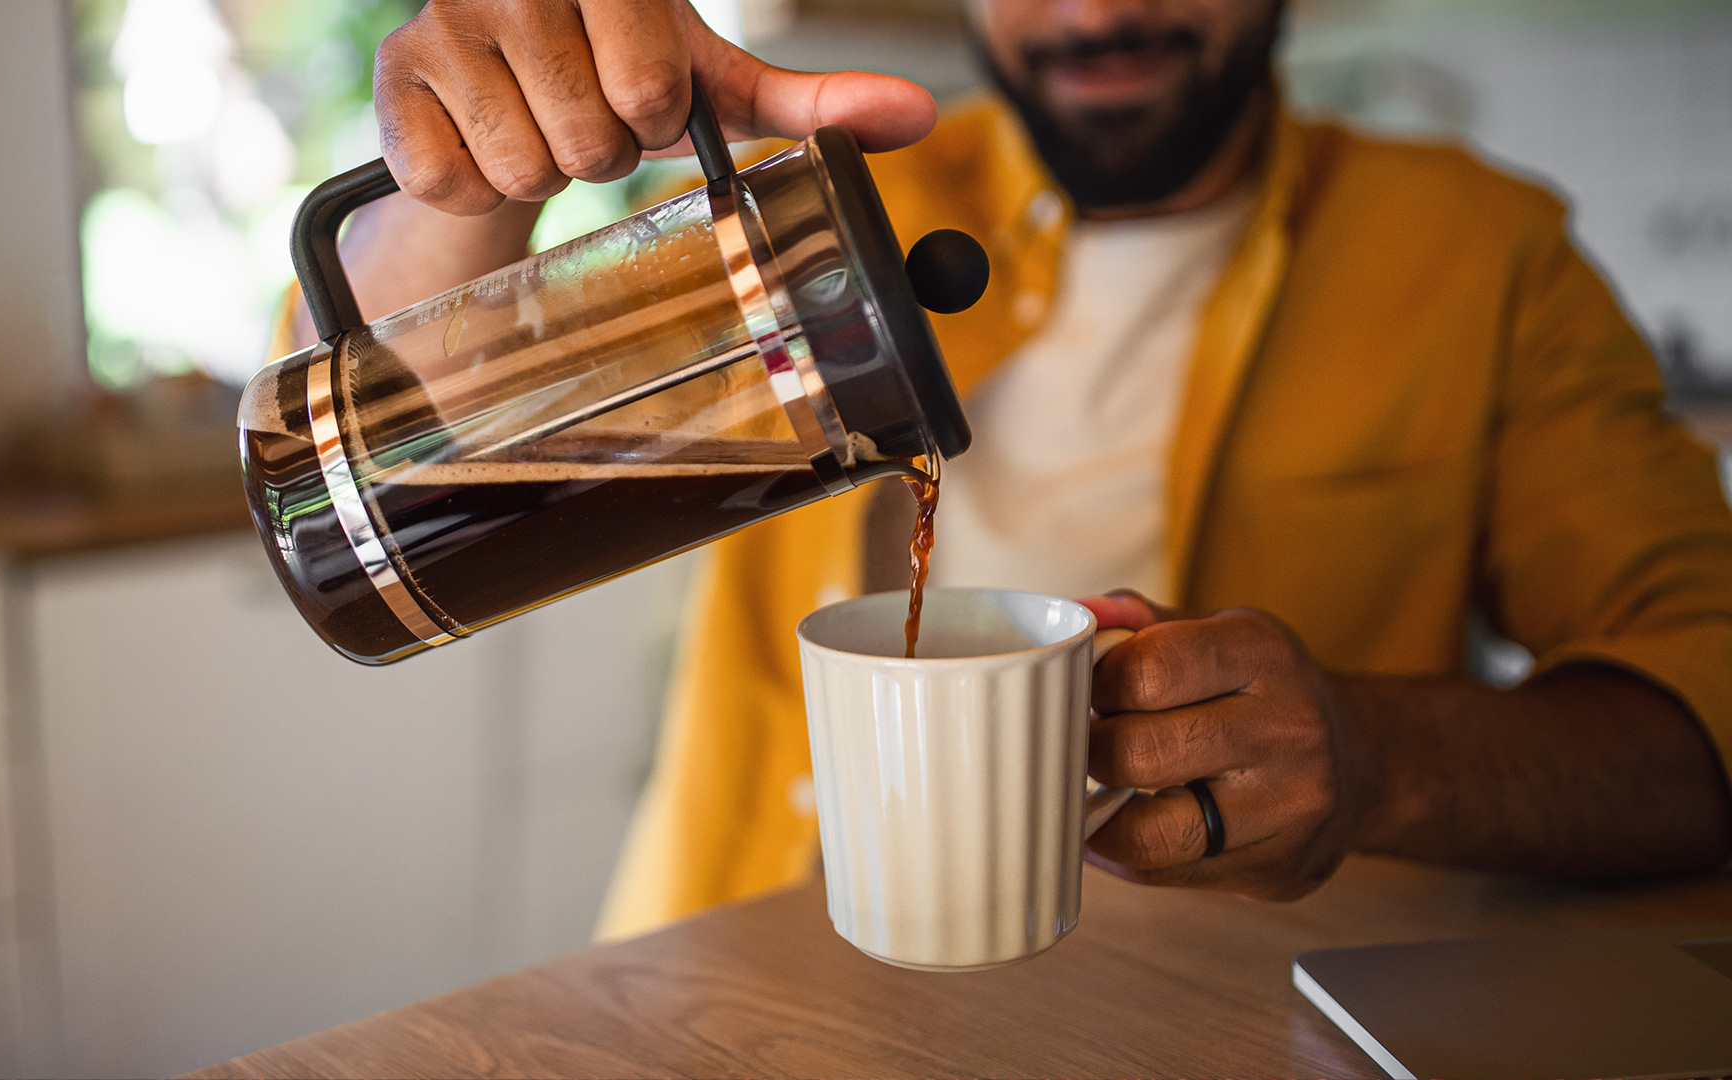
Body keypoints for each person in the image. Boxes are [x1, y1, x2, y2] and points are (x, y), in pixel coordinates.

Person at [286, 0, 1732, 938]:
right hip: (723, 986)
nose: (1095, 11)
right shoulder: (815, 202)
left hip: (1226, 1021)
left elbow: (1707, 710)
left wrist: (1376, 756)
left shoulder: (1482, 256)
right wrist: (460, 189)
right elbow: (368, 466)